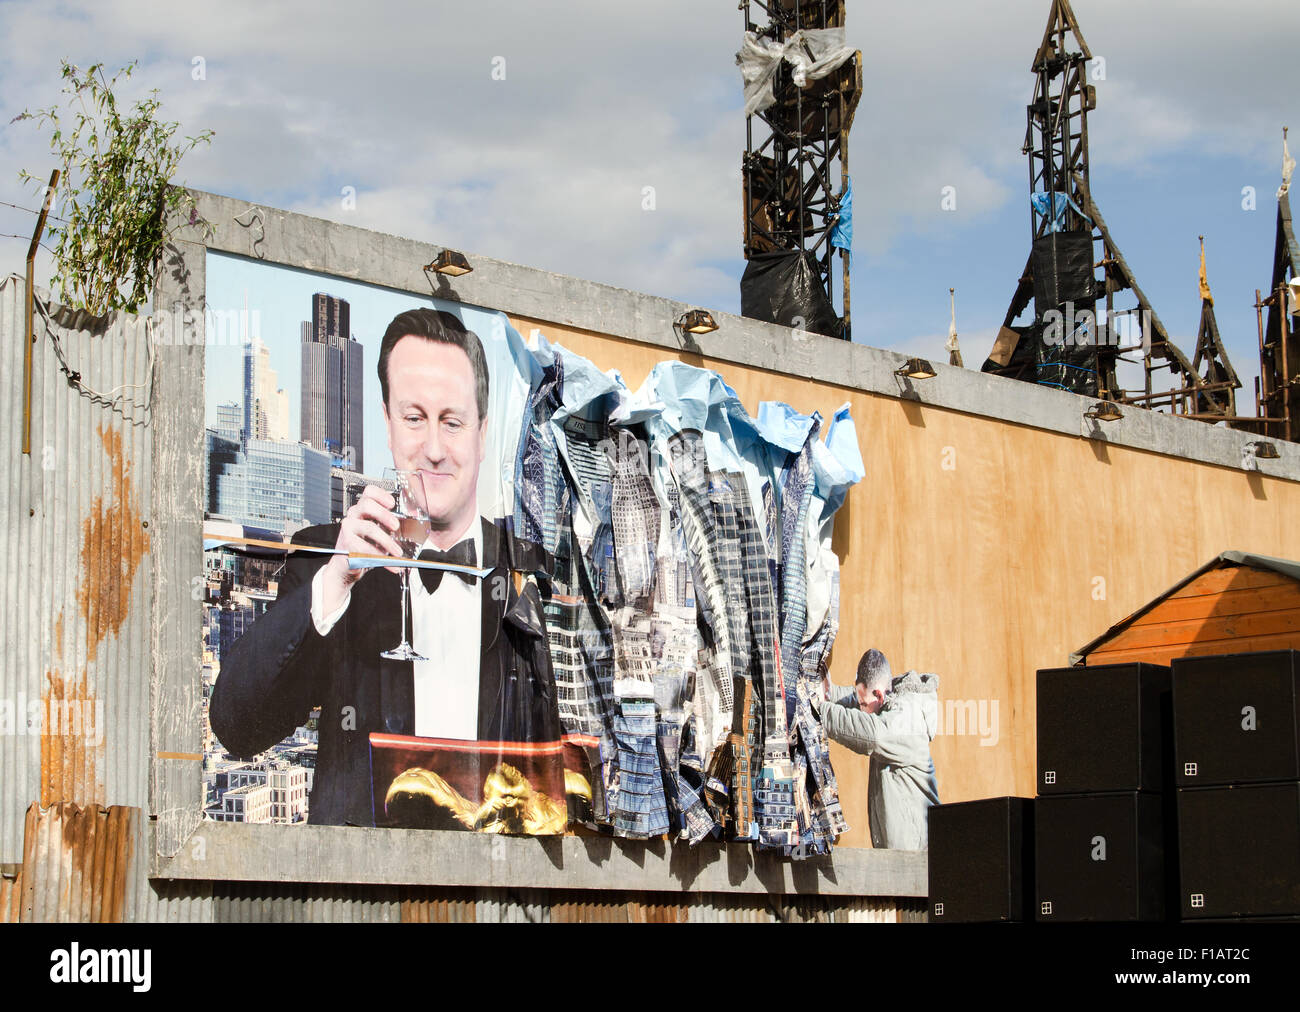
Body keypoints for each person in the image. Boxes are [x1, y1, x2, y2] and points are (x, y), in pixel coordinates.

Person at [211, 308, 561, 827]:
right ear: (388, 424)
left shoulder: (530, 569)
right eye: (415, 418)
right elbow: (237, 727)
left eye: (453, 421)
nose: (435, 450)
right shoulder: (326, 558)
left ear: (482, 434)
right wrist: (337, 580)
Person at [817, 647, 940, 849]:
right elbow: (854, 701)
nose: (861, 709)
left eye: (864, 703)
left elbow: (873, 735)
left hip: (919, 857)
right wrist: (826, 692)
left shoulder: (908, 718)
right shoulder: (882, 703)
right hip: (901, 853)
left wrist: (819, 711)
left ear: (879, 695)